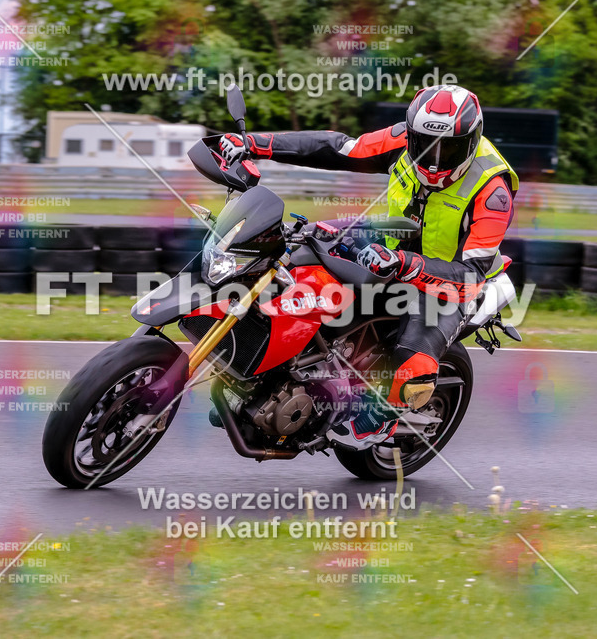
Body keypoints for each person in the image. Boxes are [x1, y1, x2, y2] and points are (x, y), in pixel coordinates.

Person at [220, 84, 518, 450]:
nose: (434, 159)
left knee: (415, 362)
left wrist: (407, 264)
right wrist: (255, 144)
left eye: (449, 148)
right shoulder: (402, 140)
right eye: (424, 143)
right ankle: (266, 373)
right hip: (388, 246)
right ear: (411, 132)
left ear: (472, 142)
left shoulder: (493, 192)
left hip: (447, 282)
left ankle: (382, 419)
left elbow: (469, 277)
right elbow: (336, 147)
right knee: (298, 262)